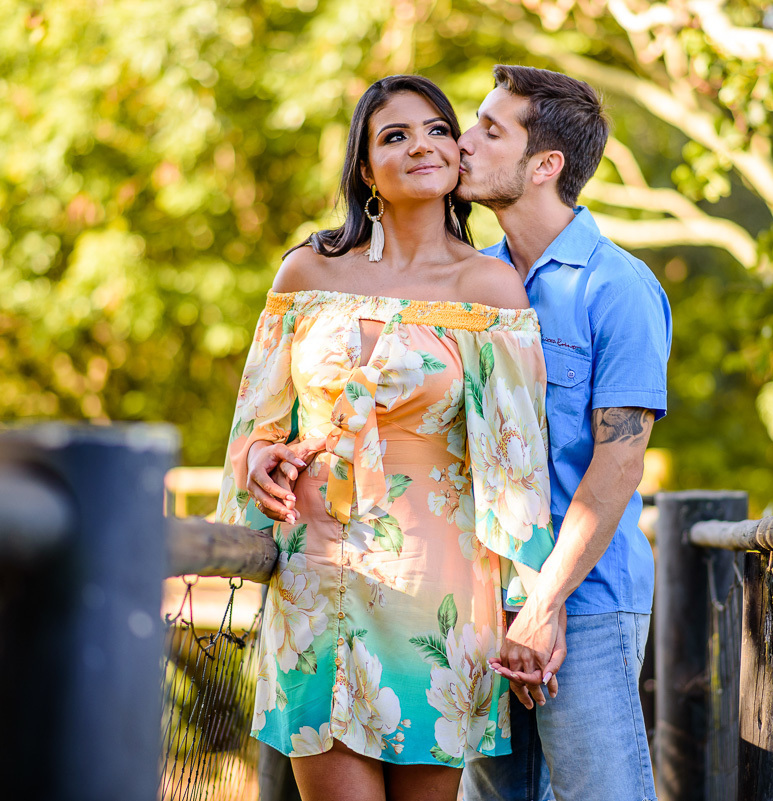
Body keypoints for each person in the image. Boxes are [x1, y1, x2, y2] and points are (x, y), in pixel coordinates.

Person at [213, 74, 558, 801]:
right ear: (366, 171)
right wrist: (258, 461)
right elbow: (256, 420)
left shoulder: (488, 291)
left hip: (439, 601)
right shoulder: (306, 271)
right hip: (316, 585)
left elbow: (515, 465)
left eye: (437, 129)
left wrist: (536, 605)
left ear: (457, 156)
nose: (421, 145)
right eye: (394, 136)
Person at [455, 65, 672, 801]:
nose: (462, 142)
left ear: (545, 165)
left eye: (490, 130)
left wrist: (544, 606)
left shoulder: (618, 287)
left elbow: (618, 468)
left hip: (586, 600)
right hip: (483, 604)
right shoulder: (473, 283)